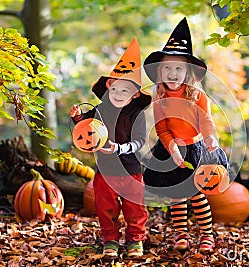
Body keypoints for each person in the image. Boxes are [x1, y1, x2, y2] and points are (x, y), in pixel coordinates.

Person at [143, 17, 229, 254]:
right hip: (171, 148)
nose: (172, 73)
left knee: (196, 192)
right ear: (160, 72)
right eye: (167, 68)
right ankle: (181, 233)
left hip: (194, 147)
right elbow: (162, 128)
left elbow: (206, 121)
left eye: (178, 68)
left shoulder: (197, 96)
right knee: (175, 195)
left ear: (188, 72)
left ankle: (206, 234)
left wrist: (211, 137)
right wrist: (172, 148)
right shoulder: (160, 98)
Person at [70, 38, 151, 258]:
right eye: (115, 88)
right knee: (105, 207)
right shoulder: (99, 110)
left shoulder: (137, 115)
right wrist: (77, 117)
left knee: (134, 207)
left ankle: (135, 239)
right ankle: (110, 239)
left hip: (131, 169)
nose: (118, 94)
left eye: (125, 91)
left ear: (135, 94)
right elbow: (86, 130)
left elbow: (140, 142)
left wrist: (119, 148)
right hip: (105, 170)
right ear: (108, 87)